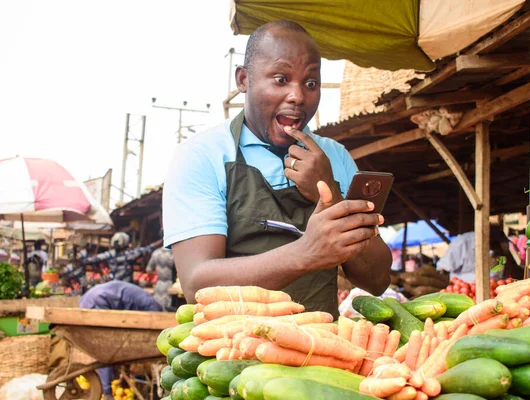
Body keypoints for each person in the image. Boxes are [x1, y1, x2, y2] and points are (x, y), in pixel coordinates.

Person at [163, 20, 392, 316]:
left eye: (311, 83)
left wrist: (331, 195)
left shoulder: (335, 157)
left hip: (320, 353)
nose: (298, 96)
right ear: (244, 80)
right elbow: (197, 285)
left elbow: (376, 280)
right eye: (281, 79)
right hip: (230, 354)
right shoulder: (202, 157)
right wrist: (306, 254)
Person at [79, 281, 162, 399]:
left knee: (108, 347)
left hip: (91, 298)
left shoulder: (145, 301)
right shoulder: (151, 306)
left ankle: (109, 387)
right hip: (97, 301)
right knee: (106, 349)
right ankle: (107, 392)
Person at [68, 232, 161, 291]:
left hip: (112, 286)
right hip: (126, 287)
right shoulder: (130, 254)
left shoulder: (109, 254)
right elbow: (148, 248)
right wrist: (163, 240)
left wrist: (79, 254)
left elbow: (91, 260)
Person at [146, 247, 176, 311]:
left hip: (159, 285)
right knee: (168, 310)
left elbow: (149, 270)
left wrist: (158, 274)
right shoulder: (174, 254)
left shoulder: (156, 253)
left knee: (157, 307)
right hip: (171, 285)